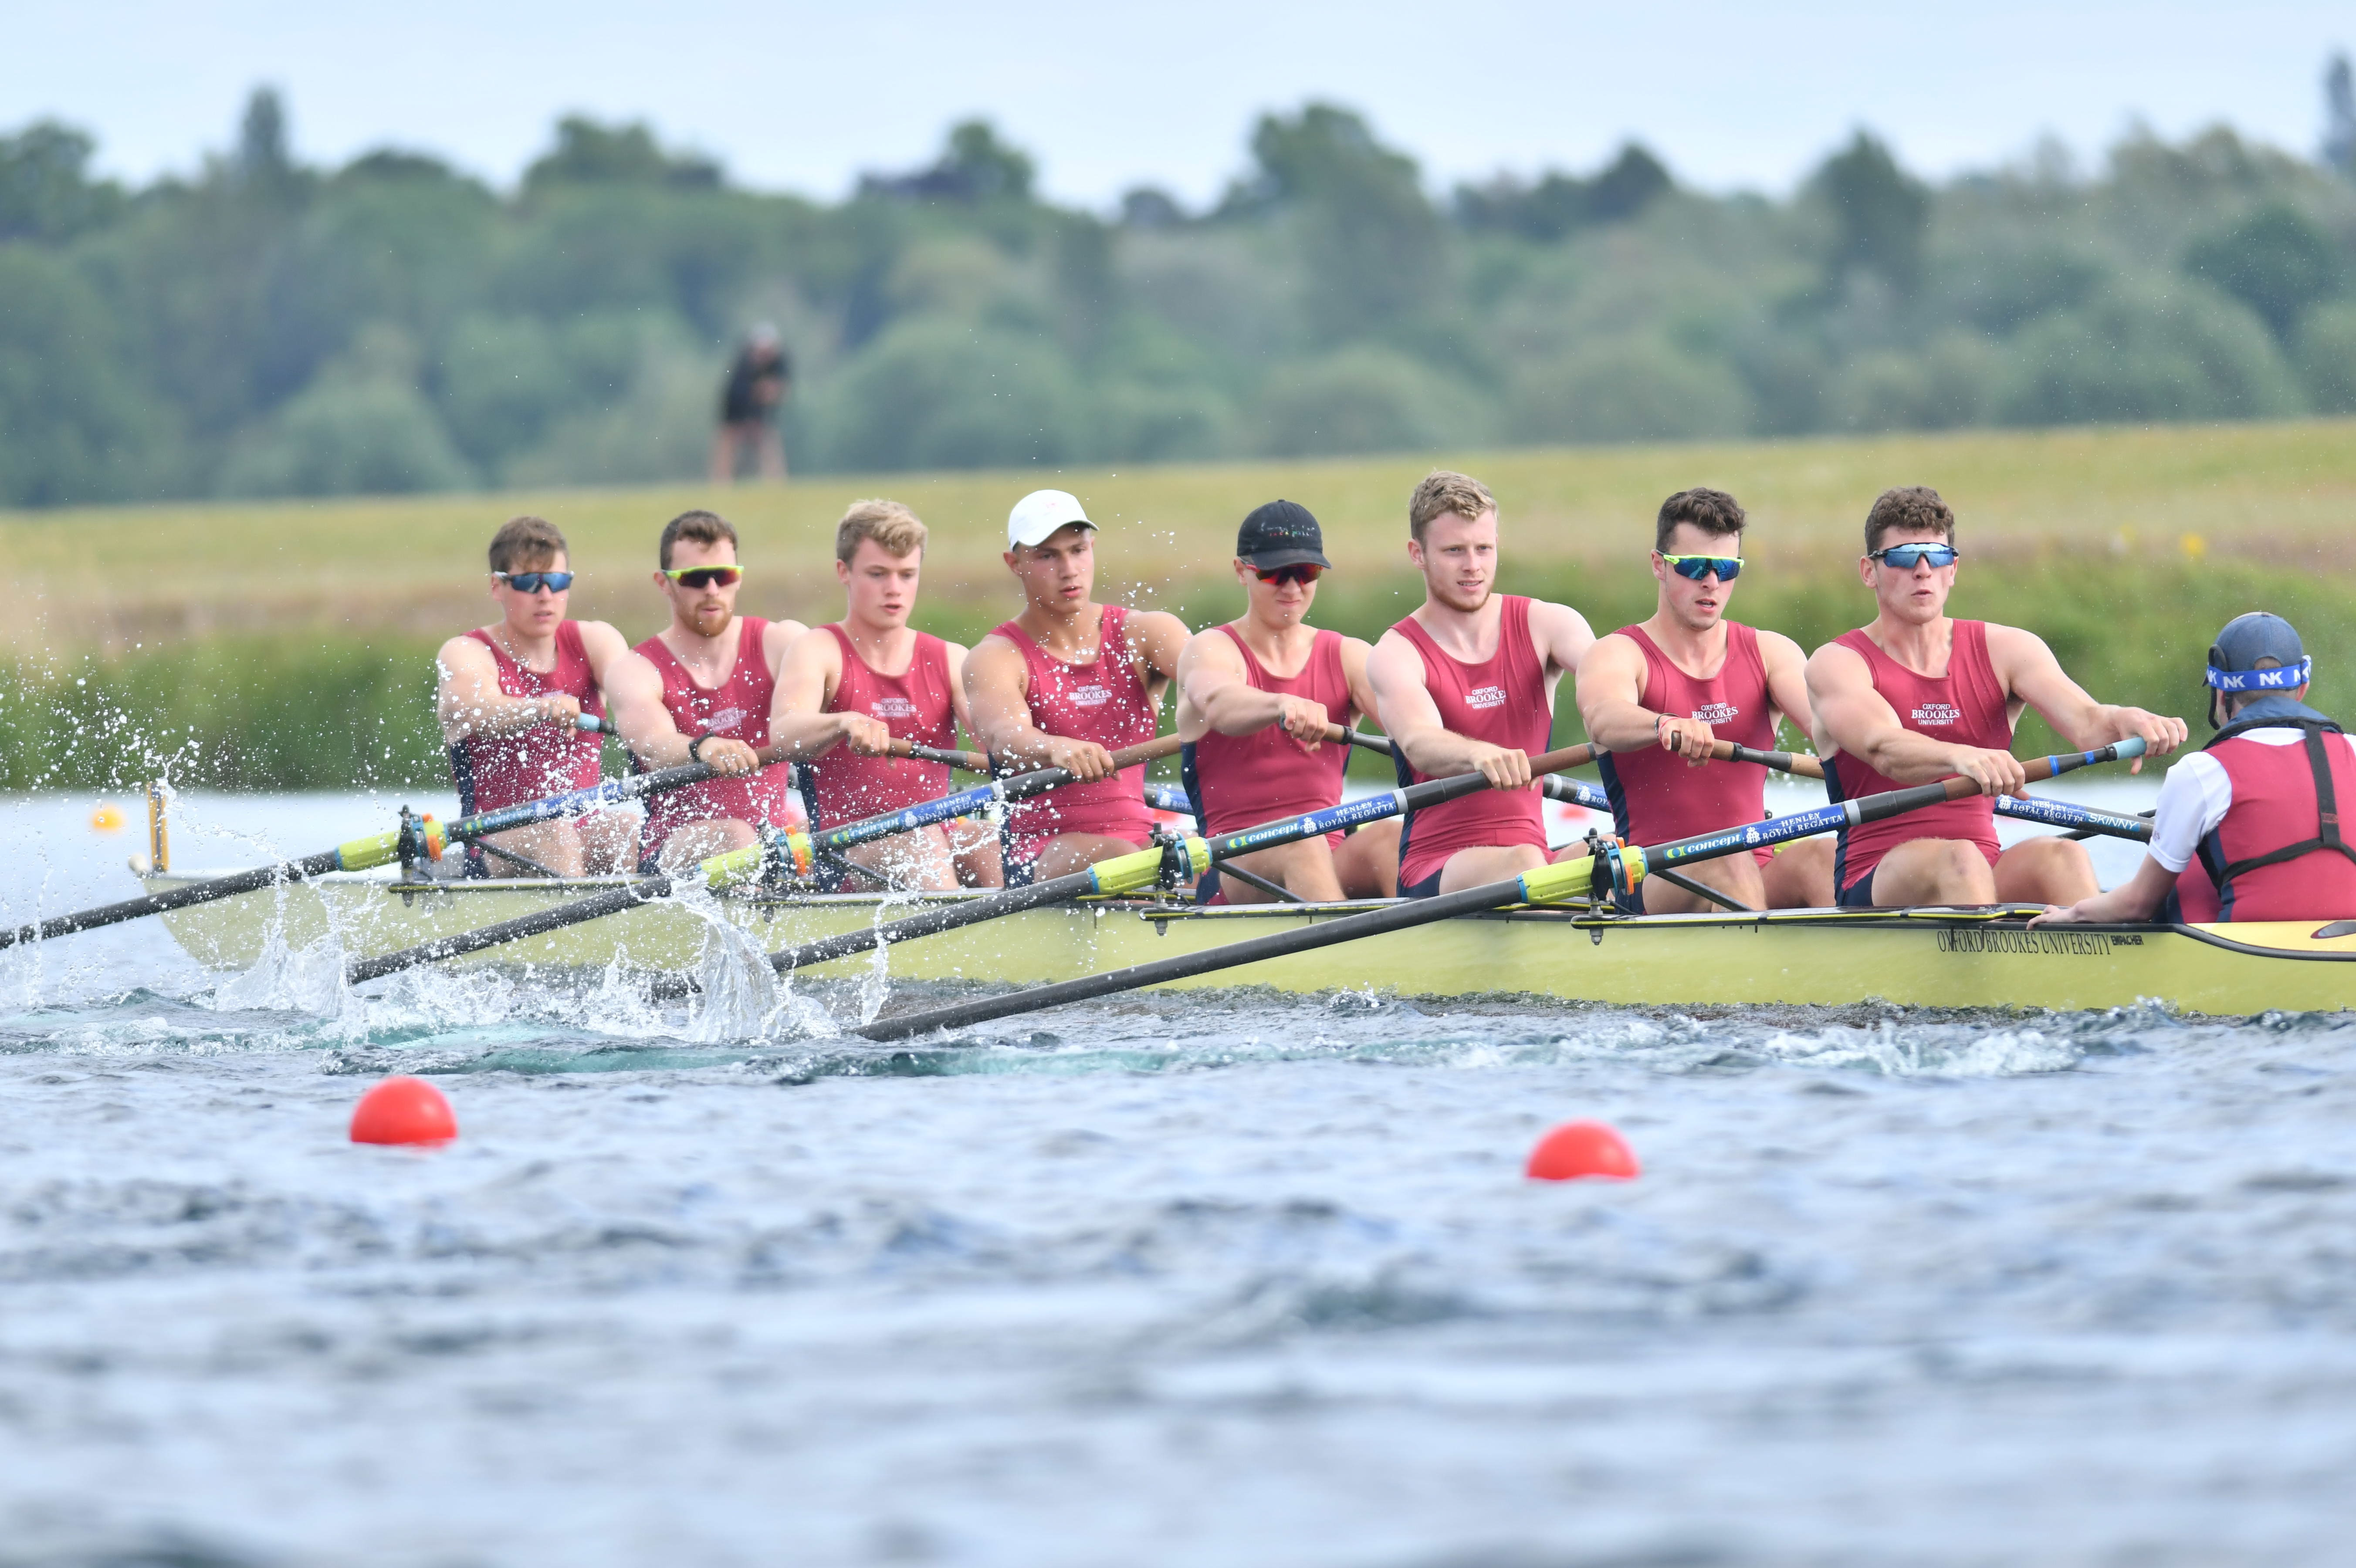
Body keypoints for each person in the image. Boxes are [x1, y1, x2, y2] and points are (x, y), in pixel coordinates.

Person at [1805, 485, 2185, 907]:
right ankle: (1994, 967)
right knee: (1959, 859)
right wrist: (1960, 756)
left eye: (1936, 557)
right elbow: (1883, 748)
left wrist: (2125, 719)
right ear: (1868, 571)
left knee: (2061, 856)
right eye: (1901, 557)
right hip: (1876, 876)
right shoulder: (1838, 663)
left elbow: (2087, 723)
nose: (1921, 571)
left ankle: (2105, 970)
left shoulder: (2007, 650)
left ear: (1952, 569)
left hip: (1980, 867)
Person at [1576, 488, 1836, 912]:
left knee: (1823, 859)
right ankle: (1760, 969)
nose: (1710, 582)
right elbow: (1603, 717)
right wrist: (1663, 725)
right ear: (1658, 565)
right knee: (1726, 859)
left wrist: (1896, 750)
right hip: (1654, 878)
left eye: (1725, 568)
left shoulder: (1772, 653)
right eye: (1694, 566)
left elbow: (1831, 729)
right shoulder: (1618, 654)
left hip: (1754, 870)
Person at [2034, 613, 2356, 927]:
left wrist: (2072, 914)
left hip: (2245, 955)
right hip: (2343, 945)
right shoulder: (2352, 749)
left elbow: (2138, 904)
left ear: (2221, 695)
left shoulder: (2203, 771)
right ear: (2302, 688)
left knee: (2189, 874)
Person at [1368, 470, 1596, 898]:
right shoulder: (1395, 652)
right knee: (1527, 864)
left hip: (1529, 856)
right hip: (1435, 867)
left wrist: (1659, 718)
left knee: (1622, 852)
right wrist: (1478, 753)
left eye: (1483, 549)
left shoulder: (1549, 623)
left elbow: (1610, 678)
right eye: (1454, 551)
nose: (1472, 566)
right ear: (1417, 554)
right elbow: (1419, 741)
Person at [769, 499, 1002, 890]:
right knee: (917, 841)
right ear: (844, 572)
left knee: (992, 843)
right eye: (878, 574)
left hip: (935, 836)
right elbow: (784, 733)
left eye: (907, 575)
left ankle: (1014, 943)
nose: (894, 590)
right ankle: (954, 945)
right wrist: (844, 721)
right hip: (844, 852)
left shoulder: (950, 659)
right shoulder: (817, 650)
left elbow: (1002, 744)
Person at [1175, 500, 1399, 903]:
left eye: (1306, 572)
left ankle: (1426, 957)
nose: (1293, 587)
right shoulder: (1209, 650)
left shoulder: (1349, 655)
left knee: (1391, 837)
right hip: (1230, 864)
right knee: (1303, 842)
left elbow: (1417, 731)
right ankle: (1345, 962)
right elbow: (1218, 703)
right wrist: (1280, 704)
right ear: (1242, 571)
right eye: (1276, 573)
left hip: (1328, 855)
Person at [965, 489, 1188, 883]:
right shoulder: (997, 656)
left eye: (1078, 550)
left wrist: (1260, 704)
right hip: (1040, 856)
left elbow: (1219, 683)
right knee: (1126, 860)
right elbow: (1004, 735)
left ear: (1093, 548)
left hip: (1139, 845)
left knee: (1198, 862)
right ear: (1015, 563)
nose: (1069, 569)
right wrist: (1057, 747)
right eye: (1047, 556)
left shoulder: (1145, 633)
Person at [605, 510, 809, 872]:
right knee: (737, 837)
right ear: (664, 582)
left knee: (855, 827)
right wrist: (704, 746)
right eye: (696, 578)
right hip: (675, 855)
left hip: (773, 844)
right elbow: (654, 743)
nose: (713, 590)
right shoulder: (635, 669)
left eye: (724, 576)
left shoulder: (783, 642)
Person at [434, 515, 634, 877]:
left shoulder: (596, 641)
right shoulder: (466, 651)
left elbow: (642, 702)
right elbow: (470, 710)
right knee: (555, 832)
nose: (546, 596)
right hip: (493, 840)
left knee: (633, 832)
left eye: (557, 582)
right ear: (497, 587)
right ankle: (579, 933)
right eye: (530, 583)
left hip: (583, 828)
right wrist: (540, 708)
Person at [709, 324, 789, 484]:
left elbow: (780, 390)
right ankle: (721, 482)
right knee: (729, 443)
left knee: (767, 442)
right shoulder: (743, 368)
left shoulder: (778, 363)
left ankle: (776, 480)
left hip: (759, 410)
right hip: (735, 407)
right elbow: (741, 395)